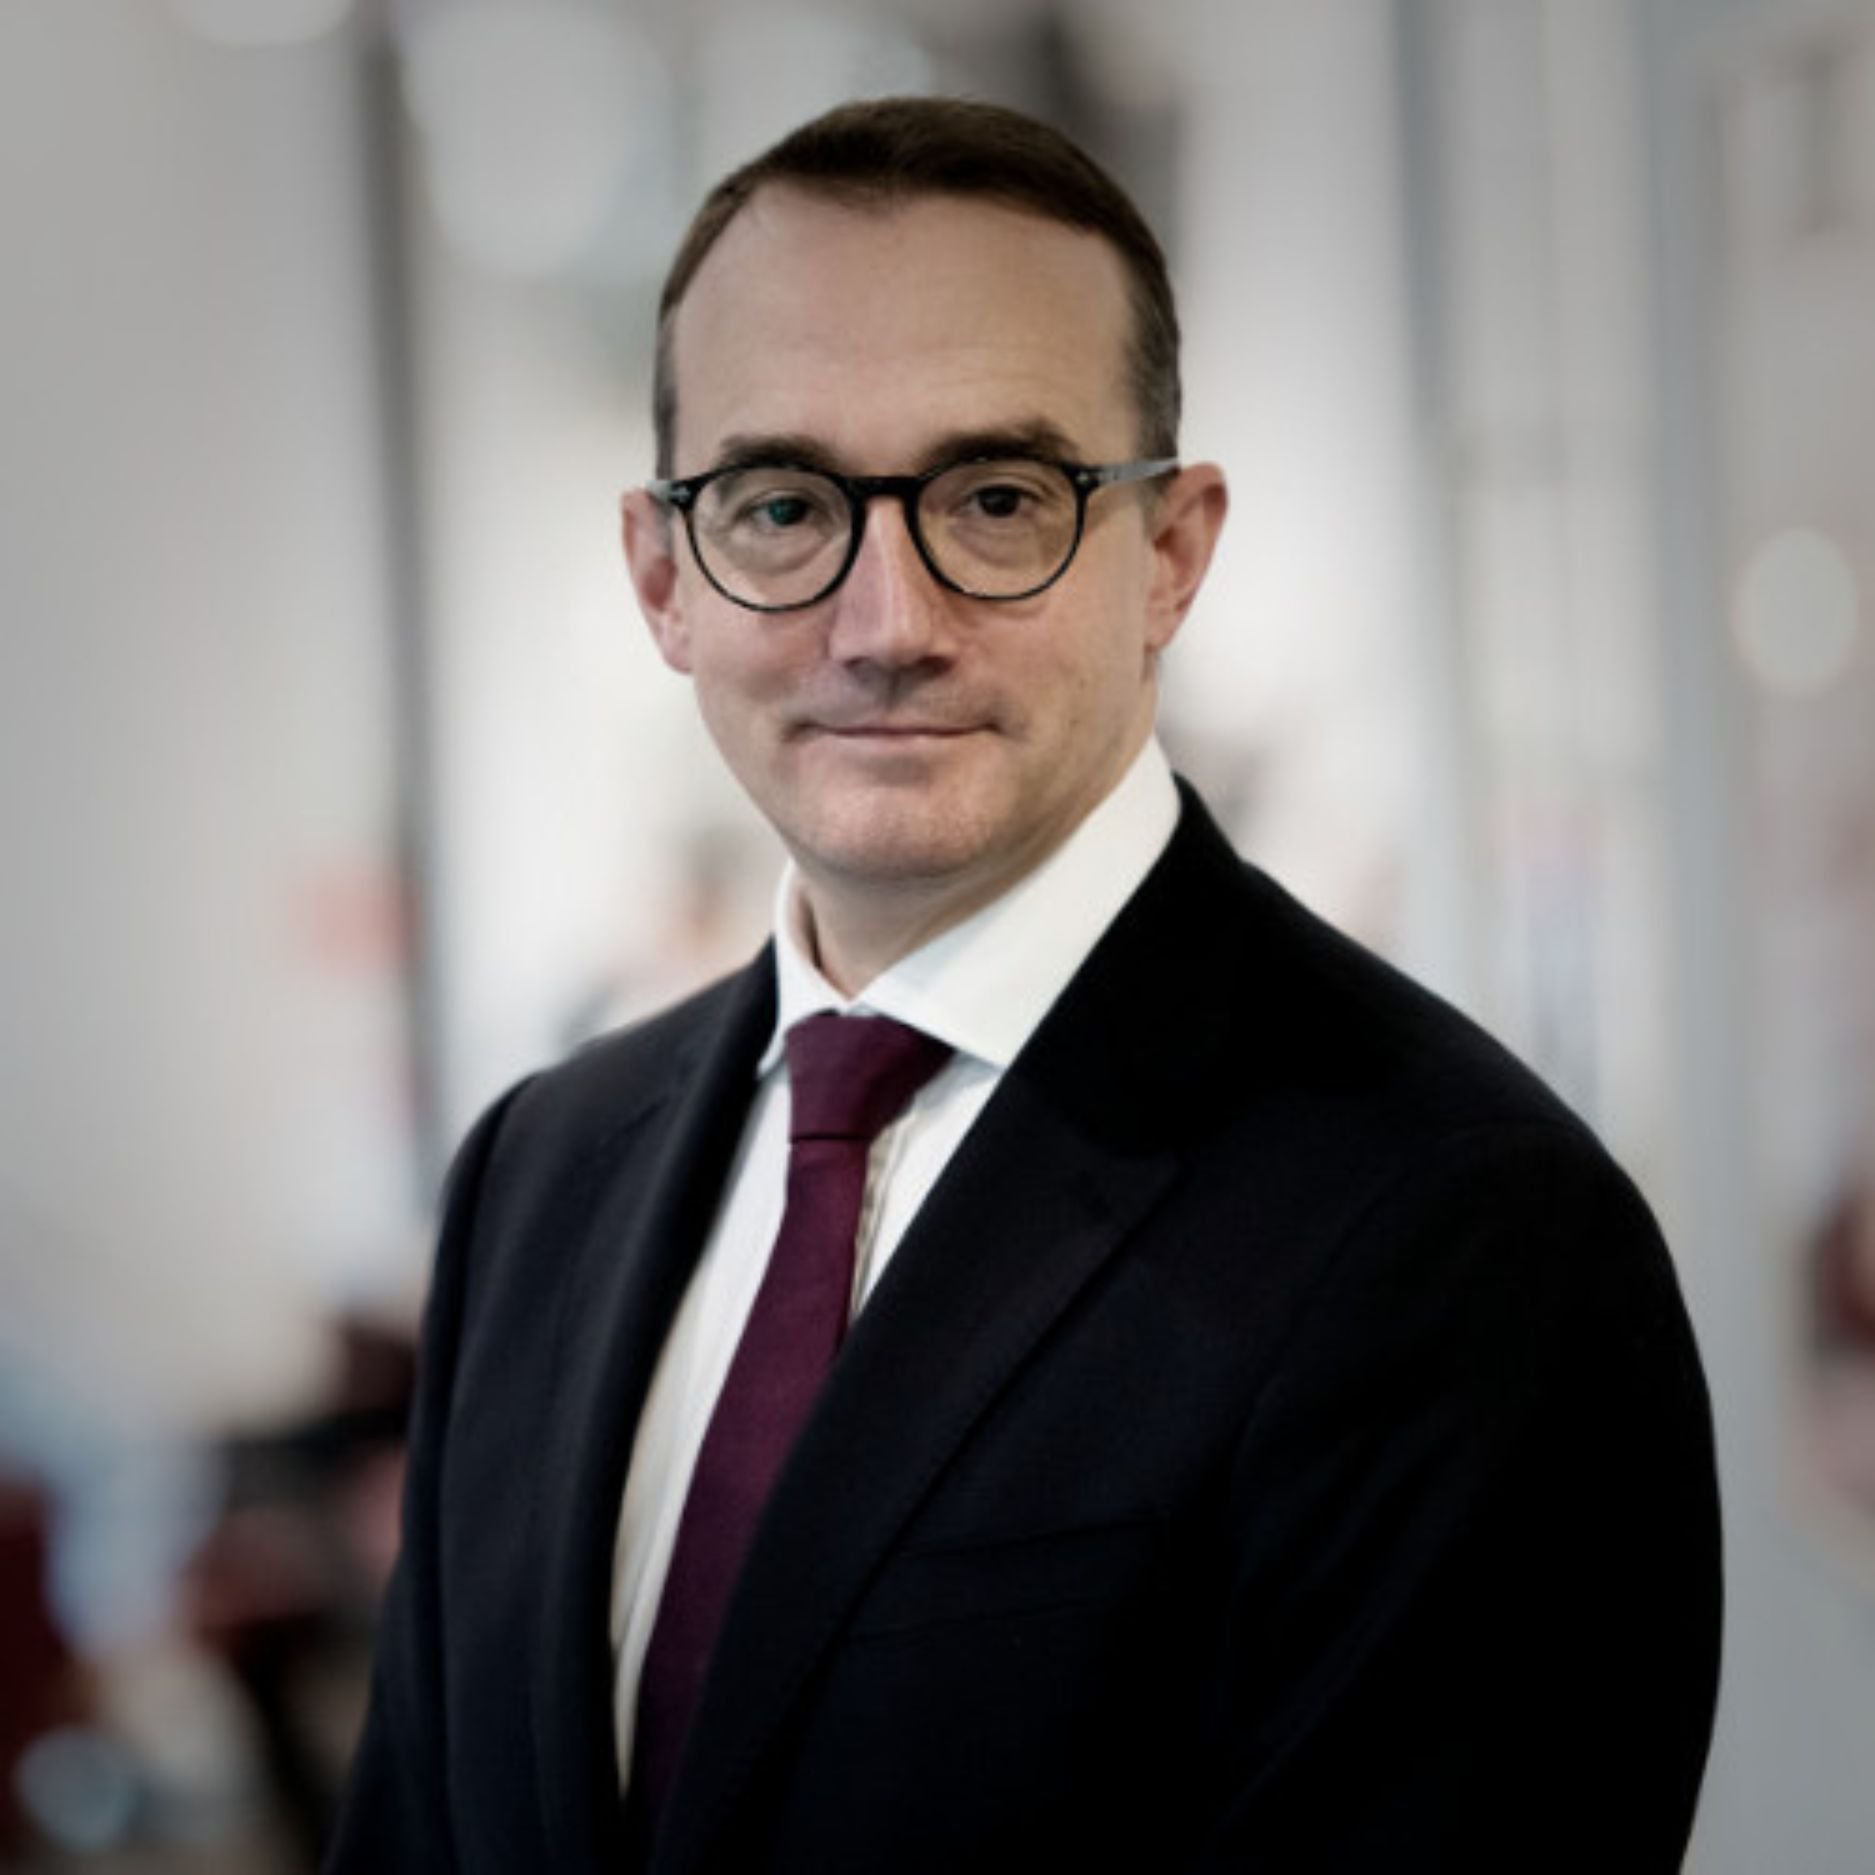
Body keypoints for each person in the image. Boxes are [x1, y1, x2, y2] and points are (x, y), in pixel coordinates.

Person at [327, 98, 1721, 1875]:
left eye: (999, 501)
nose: (887, 623)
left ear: (1172, 554)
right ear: (665, 577)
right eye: (782, 506)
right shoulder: (541, 1179)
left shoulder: (1464, 1234)